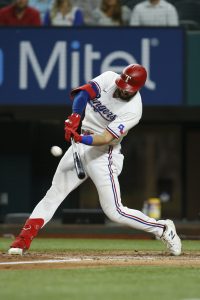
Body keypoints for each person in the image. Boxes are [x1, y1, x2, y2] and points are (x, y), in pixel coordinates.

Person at [8, 64, 182, 256]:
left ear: (137, 89)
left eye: (127, 89)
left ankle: (163, 229)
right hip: (80, 145)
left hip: (103, 153)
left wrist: (80, 138)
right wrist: (75, 116)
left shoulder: (134, 109)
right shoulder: (109, 78)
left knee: (114, 211)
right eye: (121, 85)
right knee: (54, 193)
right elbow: (83, 93)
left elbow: (106, 137)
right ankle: (22, 240)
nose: (122, 90)